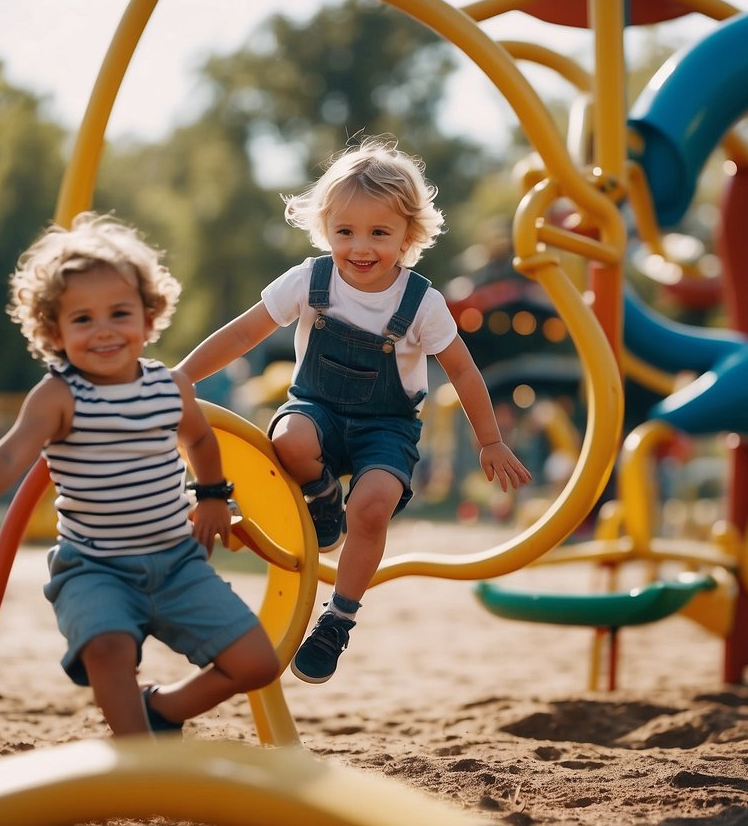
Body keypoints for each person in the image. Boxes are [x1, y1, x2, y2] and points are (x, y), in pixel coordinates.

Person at [0, 212, 280, 736]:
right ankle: (136, 756)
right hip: (96, 568)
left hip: (178, 563)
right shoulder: (60, 395)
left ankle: (159, 711)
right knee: (108, 648)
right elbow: (7, 455)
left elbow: (201, 439)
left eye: (120, 312)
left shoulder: (170, 387)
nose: (105, 331)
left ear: (149, 314)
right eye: (83, 319)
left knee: (257, 664)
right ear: (54, 330)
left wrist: (211, 497)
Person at [176, 138, 531, 684]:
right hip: (315, 408)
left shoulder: (420, 304)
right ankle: (320, 495)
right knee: (290, 439)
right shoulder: (311, 282)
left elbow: (462, 370)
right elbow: (246, 332)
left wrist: (488, 440)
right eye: (345, 231)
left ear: (408, 236)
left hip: (386, 426)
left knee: (373, 505)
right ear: (326, 229)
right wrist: (183, 376)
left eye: (379, 233)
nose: (360, 247)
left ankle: (338, 619)